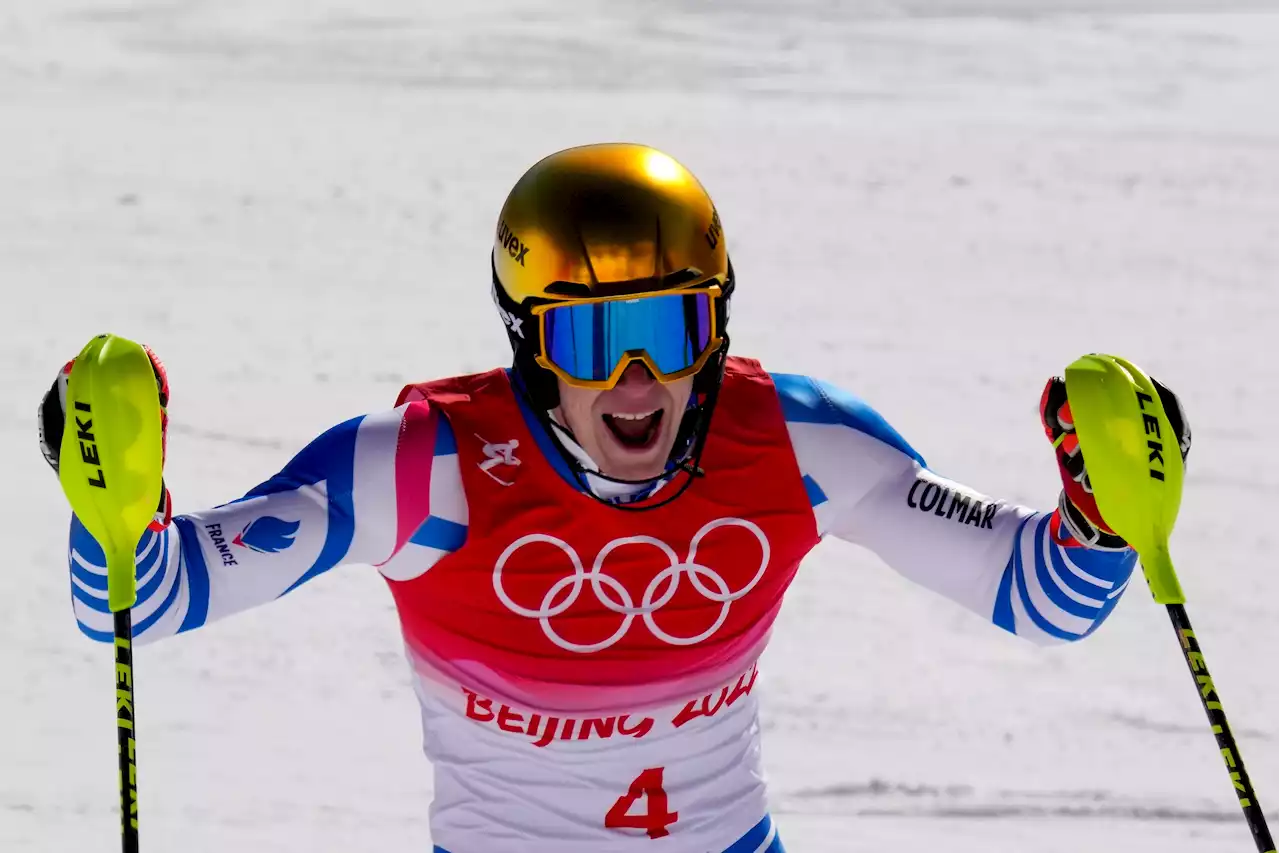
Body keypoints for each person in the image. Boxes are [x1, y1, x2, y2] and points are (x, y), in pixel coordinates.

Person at [39, 143, 1191, 853]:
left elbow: (1039, 598)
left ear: (715, 329)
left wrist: (1098, 513)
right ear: (530, 346)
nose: (633, 380)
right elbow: (139, 604)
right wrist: (113, 494)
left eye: (665, 329)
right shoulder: (422, 467)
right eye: (591, 337)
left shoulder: (791, 442)